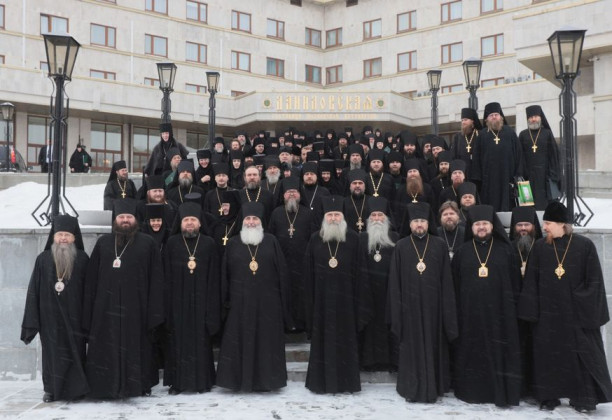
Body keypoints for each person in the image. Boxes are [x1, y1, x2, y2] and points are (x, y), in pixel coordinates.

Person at [518, 202, 612, 413]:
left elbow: (594, 281)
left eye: (548, 223)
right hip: (547, 315)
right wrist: (531, 310)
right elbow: (531, 281)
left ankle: (583, 398)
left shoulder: (584, 246)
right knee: (548, 356)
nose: (544, 227)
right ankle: (548, 396)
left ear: (562, 224)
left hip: (575, 314)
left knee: (579, 357)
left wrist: (577, 301)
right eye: (544, 223)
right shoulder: (540, 247)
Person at [83, 199, 164, 398]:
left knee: (136, 348)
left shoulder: (148, 243)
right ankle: (105, 386)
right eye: (121, 217)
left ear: (136, 220)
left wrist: (155, 311)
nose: (125, 220)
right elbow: (92, 279)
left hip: (137, 309)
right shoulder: (103, 243)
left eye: (129, 217)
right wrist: (90, 309)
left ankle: (137, 385)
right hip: (106, 309)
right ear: (115, 220)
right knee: (107, 347)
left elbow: (157, 280)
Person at [216, 202, 293, 392]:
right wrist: (225, 302)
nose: (251, 222)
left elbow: (282, 274)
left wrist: (283, 304)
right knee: (239, 343)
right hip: (239, 304)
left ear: (261, 222)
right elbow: (224, 275)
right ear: (242, 222)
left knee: (266, 344)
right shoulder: (233, 243)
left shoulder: (271, 241)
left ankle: (267, 381)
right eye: (248, 219)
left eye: (255, 219)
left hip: (268, 305)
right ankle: (238, 381)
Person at [451, 205, 521, 407]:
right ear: (471, 227)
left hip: (501, 315)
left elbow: (515, 284)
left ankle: (499, 392)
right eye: (477, 224)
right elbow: (455, 285)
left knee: (499, 353)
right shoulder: (462, 252)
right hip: (469, 315)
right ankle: (472, 391)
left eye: (485, 224)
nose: (481, 227)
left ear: (492, 226)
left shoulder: (506, 251)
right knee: (472, 353)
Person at [388, 202, 458, 403]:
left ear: (429, 223)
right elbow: (395, 281)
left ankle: (434, 387)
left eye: (423, 221)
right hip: (408, 309)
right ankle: (411, 387)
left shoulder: (439, 245)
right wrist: (397, 309)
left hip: (434, 309)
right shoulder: (401, 246)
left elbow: (446, 280)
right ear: (410, 224)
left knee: (434, 347)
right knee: (412, 349)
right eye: (416, 221)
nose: (419, 224)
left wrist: (447, 310)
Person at [21, 215, 90, 403]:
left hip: (75, 317)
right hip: (49, 318)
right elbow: (34, 290)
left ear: (74, 238)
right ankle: (51, 390)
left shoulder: (83, 259)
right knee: (51, 354)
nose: (63, 239)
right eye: (60, 235)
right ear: (54, 237)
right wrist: (32, 321)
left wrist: (88, 319)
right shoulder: (42, 260)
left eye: (67, 235)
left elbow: (90, 291)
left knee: (75, 351)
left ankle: (76, 389)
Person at [303, 196, 365, 394]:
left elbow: (361, 274)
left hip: (347, 303)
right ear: (324, 218)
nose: (333, 219)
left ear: (343, 217)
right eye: (329, 215)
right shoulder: (315, 239)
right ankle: (320, 382)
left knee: (345, 343)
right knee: (322, 342)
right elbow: (308, 275)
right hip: (321, 303)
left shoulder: (353, 238)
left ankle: (347, 383)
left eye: (337, 215)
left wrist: (359, 305)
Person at [163, 202, 220, 395]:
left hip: (202, 302)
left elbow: (214, 277)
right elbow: (166, 276)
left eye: (193, 220)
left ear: (200, 223)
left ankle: (203, 382)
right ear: (180, 223)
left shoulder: (209, 244)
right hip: (177, 303)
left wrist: (212, 306)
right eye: (186, 220)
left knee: (201, 343)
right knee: (177, 343)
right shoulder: (172, 243)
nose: (189, 223)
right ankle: (177, 383)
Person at [357, 197, 399, 372]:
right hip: (367, 290)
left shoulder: (395, 238)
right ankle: (369, 361)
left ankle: (391, 361)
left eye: (380, 215)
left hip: (389, 290)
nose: (376, 219)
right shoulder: (361, 238)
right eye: (373, 215)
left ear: (386, 219)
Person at [268, 176, 314, 333]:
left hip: (303, 263)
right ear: (283, 195)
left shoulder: (308, 213)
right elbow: (271, 237)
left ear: (300, 194)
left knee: (302, 294)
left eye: (295, 191)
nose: (292, 194)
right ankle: (285, 323)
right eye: (288, 192)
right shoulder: (276, 213)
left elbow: (313, 237)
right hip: (282, 263)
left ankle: (301, 324)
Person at [471, 102, 524, 211]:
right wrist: (479, 180)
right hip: (488, 180)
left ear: (501, 117)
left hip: (508, 178)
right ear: (486, 119)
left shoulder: (510, 132)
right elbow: (476, 159)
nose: (494, 117)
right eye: (491, 115)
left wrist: (518, 174)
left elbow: (519, 154)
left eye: (496, 114)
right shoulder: (482, 135)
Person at [518, 105, 561, 210]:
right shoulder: (523, 134)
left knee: (546, 206)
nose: (533, 119)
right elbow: (519, 157)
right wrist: (521, 174)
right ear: (527, 119)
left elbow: (554, 155)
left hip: (545, 177)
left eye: (536, 116)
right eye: (531, 117)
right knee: (528, 207)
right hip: (527, 177)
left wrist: (553, 174)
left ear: (540, 118)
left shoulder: (547, 133)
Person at [450, 108, 482, 179]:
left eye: (465, 120)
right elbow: (454, 156)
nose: (463, 122)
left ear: (472, 121)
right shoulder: (458, 137)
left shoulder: (480, 134)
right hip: (463, 173)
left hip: (477, 174)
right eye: (462, 120)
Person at [343, 169, 371, 234]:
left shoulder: (372, 201)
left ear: (365, 186)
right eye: (354, 183)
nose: (357, 185)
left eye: (360, 183)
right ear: (350, 186)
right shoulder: (344, 202)